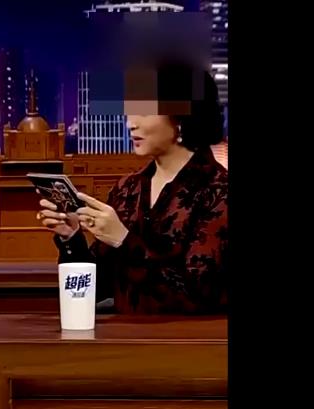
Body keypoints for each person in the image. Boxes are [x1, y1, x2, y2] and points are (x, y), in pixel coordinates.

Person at [39, 63, 227, 314]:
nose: (130, 124)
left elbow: (199, 295)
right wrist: (71, 236)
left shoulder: (218, 192)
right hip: (123, 336)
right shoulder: (127, 189)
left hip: (189, 338)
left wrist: (124, 240)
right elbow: (94, 290)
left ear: (181, 118)